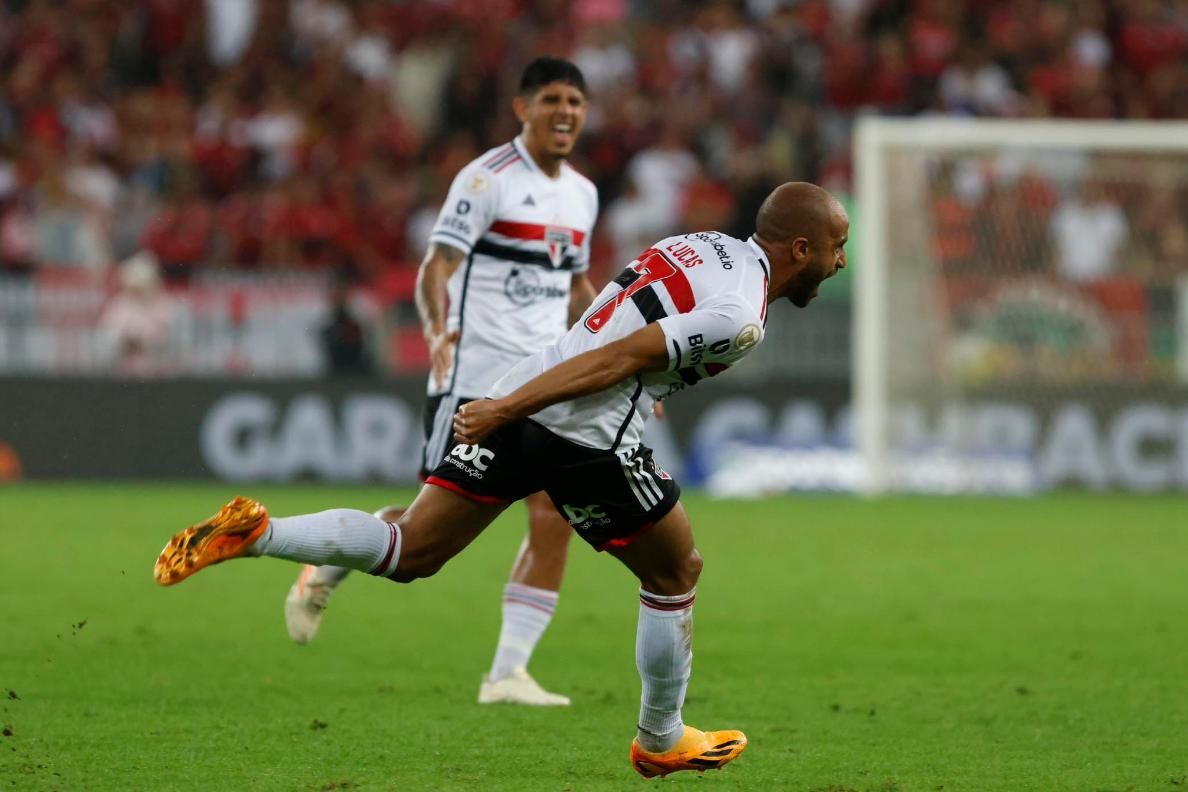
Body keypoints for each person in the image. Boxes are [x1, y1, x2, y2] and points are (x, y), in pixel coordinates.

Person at [153, 181, 849, 778]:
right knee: (675, 571)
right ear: (799, 250)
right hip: (579, 431)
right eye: (836, 247)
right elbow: (624, 353)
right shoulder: (742, 317)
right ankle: (660, 740)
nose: (841, 261)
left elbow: (616, 319)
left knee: (412, 550)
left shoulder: (700, 245)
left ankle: (259, 534)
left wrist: (518, 401)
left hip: (526, 386)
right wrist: (519, 406)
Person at [284, 57, 600, 707]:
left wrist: (610, 356)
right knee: (423, 538)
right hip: (476, 380)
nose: (565, 111)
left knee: (554, 513)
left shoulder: (583, 195)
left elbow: (575, 290)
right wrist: (436, 335)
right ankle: (326, 566)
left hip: (541, 383)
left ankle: (507, 673)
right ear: (522, 108)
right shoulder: (486, 179)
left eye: (575, 100)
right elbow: (438, 264)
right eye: (551, 99)